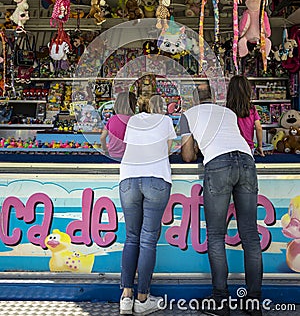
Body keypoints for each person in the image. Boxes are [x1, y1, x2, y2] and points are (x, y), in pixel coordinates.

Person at [180, 82, 263, 316]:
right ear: (213, 97)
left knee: (216, 235)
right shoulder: (226, 112)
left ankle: (220, 301)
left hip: (218, 165)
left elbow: (187, 156)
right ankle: (254, 302)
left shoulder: (188, 114)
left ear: (192, 99)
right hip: (247, 162)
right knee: (250, 235)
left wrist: (195, 146)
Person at [119, 94, 176, 315]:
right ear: (160, 107)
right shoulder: (166, 120)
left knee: (131, 237)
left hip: (129, 178)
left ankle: (126, 297)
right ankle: (142, 299)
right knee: (148, 240)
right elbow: (169, 148)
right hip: (156, 177)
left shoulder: (132, 121)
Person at [226, 75, 265, 156]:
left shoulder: (227, 110)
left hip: (231, 147)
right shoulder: (252, 108)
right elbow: (259, 128)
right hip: (247, 147)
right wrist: (260, 146)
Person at [100, 91, 137, 160]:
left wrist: (105, 150)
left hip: (113, 155)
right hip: (129, 157)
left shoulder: (112, 119)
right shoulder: (134, 120)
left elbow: (102, 137)